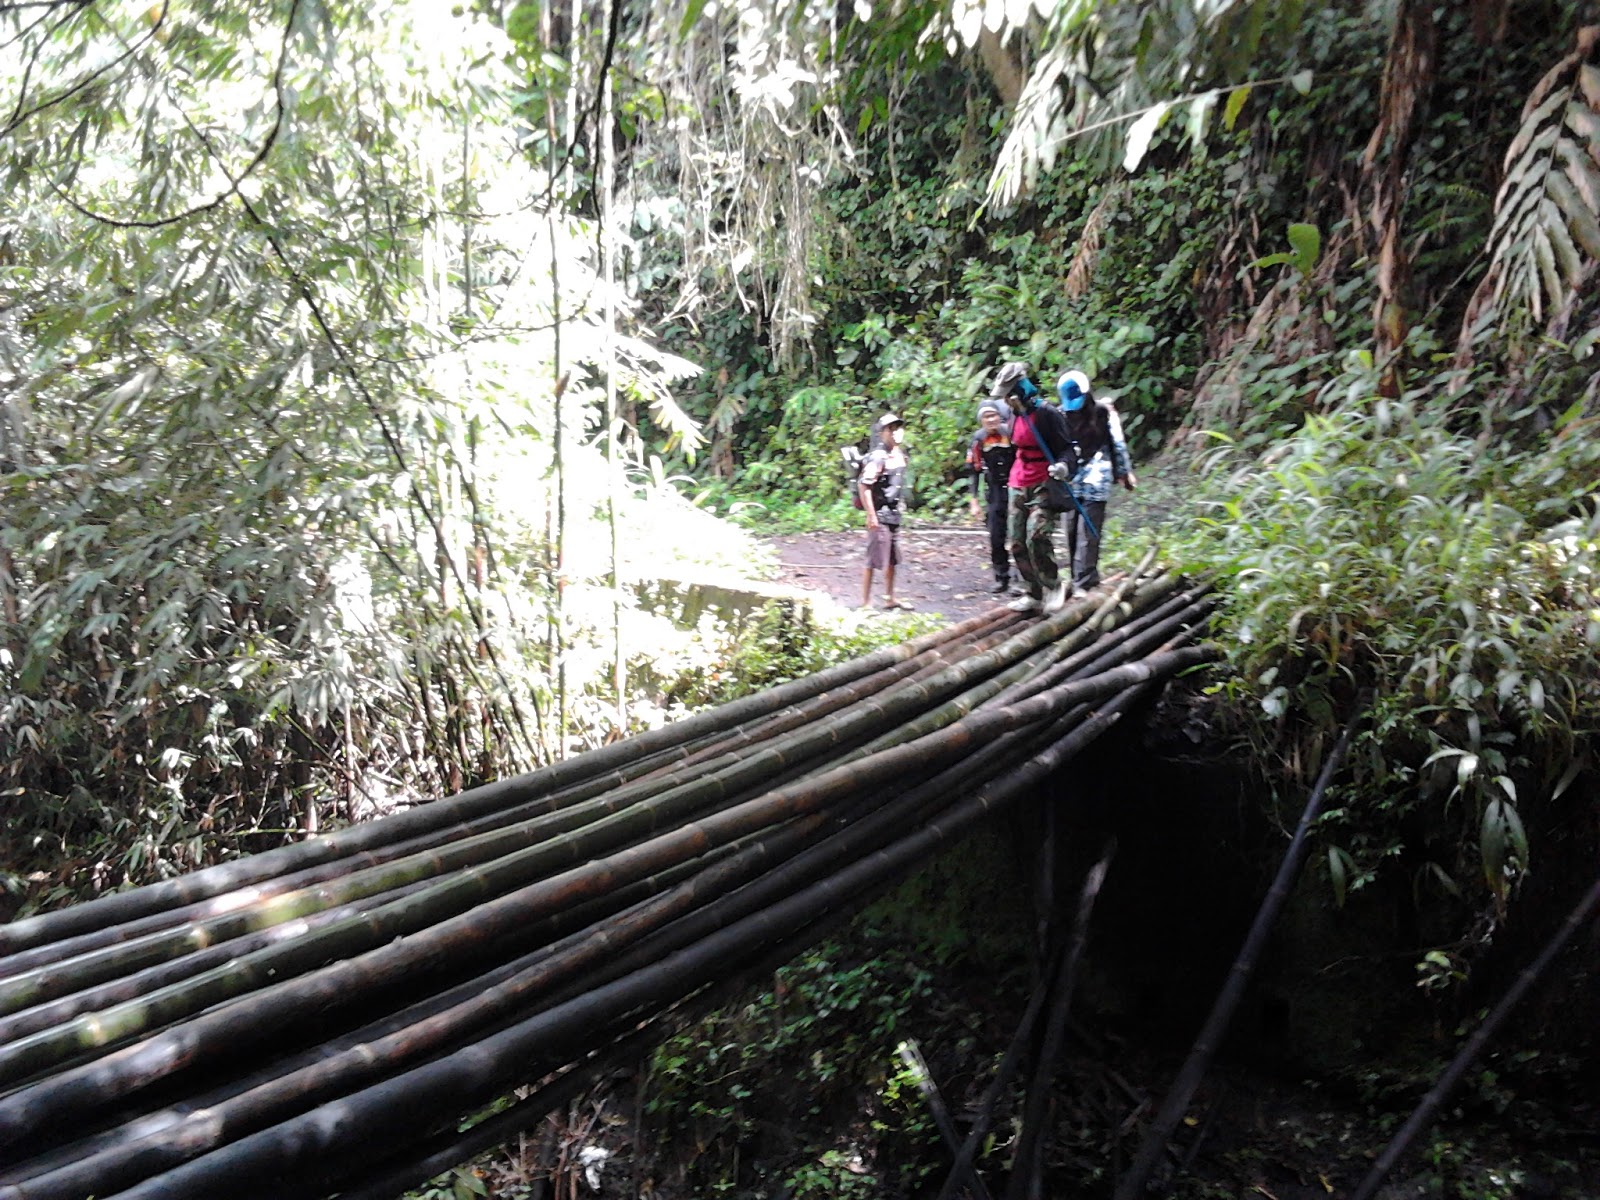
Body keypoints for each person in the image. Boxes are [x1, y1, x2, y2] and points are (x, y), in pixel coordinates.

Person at [991, 361, 1077, 615]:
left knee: (1036, 535)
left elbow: (1068, 449)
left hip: (1044, 481)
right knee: (1016, 541)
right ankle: (1033, 591)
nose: (1005, 401)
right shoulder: (1013, 414)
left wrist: (1062, 466)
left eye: (1008, 394)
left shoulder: (1048, 413)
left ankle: (1053, 585)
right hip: (1019, 480)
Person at [1055, 369, 1137, 593]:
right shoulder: (1060, 414)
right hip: (1070, 481)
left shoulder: (1104, 413)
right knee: (1072, 531)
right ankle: (1077, 578)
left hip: (1096, 479)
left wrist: (1123, 473)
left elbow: (1117, 445)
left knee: (1087, 533)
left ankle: (1085, 580)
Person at [859, 412, 913, 611]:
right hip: (880, 513)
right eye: (891, 429)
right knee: (873, 558)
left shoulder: (899, 455)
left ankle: (890, 598)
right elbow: (864, 486)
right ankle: (866, 602)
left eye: (898, 428)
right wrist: (871, 514)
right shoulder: (878, 457)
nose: (895, 433)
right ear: (882, 433)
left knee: (891, 558)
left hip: (894, 513)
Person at [967, 400, 1017, 594]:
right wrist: (974, 501)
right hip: (994, 490)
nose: (991, 420)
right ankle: (1001, 577)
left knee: (1018, 535)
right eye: (986, 417)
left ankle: (1021, 579)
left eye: (993, 415)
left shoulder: (1010, 433)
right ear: (981, 420)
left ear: (1000, 416)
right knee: (996, 535)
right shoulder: (978, 439)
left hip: (1014, 486)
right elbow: (973, 470)